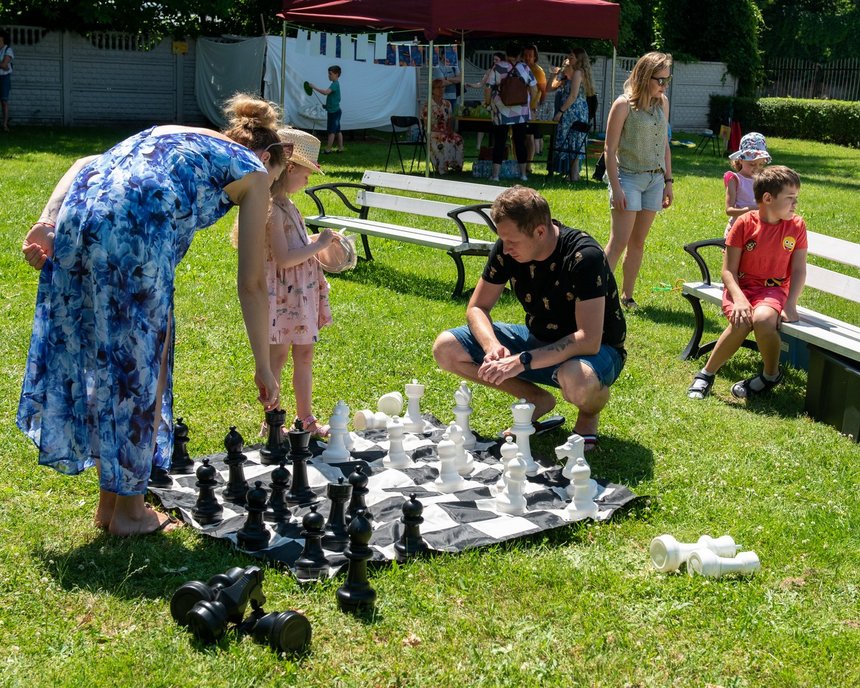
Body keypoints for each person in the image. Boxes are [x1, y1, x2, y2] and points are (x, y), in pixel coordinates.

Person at [18, 94, 287, 536]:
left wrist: (48, 221)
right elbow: (253, 284)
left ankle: (112, 504)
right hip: (136, 228)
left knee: (109, 357)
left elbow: (88, 160)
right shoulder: (255, 172)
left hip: (82, 210)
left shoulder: (178, 132)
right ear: (265, 157)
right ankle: (129, 513)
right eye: (275, 182)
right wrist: (263, 365)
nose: (267, 192)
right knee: (141, 369)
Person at [433, 186, 627, 451]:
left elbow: (588, 340)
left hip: (596, 351)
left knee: (577, 380)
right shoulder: (506, 248)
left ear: (539, 231)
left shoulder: (584, 256)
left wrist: (522, 361)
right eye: (502, 239)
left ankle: (589, 414)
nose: (505, 247)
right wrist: (491, 346)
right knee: (446, 348)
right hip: (537, 338)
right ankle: (535, 398)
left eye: (512, 241)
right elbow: (477, 307)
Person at [687, 166, 807, 400]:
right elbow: (728, 272)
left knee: (763, 319)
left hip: (773, 290)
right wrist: (740, 299)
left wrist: (791, 302)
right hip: (740, 289)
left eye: (796, 199)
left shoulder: (797, 225)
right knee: (742, 321)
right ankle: (706, 375)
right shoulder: (743, 223)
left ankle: (770, 375)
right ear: (768, 198)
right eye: (790, 198)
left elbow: (799, 269)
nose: (795, 204)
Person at [261, 127, 336, 437]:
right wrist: (319, 246)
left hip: (301, 296)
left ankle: (306, 417)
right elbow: (283, 258)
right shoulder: (272, 210)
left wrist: (318, 241)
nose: (308, 181)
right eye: (306, 174)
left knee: (305, 355)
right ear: (289, 168)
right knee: (276, 358)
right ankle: (273, 417)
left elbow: (297, 247)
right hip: (281, 299)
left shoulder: (291, 207)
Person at [603, 51, 674, 309]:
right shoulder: (623, 105)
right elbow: (609, 151)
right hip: (628, 179)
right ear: (645, 77)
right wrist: (617, 187)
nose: (664, 85)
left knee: (638, 242)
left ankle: (627, 296)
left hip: (655, 180)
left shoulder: (662, 103)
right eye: (660, 80)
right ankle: (593, 294)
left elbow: (664, 144)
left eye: (667, 80)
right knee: (619, 241)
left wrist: (668, 181)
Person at [484, 42, 538, 183]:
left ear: (506, 53)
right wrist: (531, 106)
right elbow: (534, 89)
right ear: (519, 54)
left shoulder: (498, 67)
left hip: (501, 110)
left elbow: (488, 87)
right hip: (520, 111)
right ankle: (523, 174)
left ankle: (495, 175)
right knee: (520, 142)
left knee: (500, 142)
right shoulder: (525, 68)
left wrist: (488, 102)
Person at [548, 47, 594, 182]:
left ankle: (574, 174)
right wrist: (554, 74)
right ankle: (573, 174)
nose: (569, 59)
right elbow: (549, 88)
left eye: (572, 57)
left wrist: (561, 111)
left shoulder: (579, 73)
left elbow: (573, 95)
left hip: (574, 111)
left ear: (579, 59)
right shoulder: (570, 73)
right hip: (571, 110)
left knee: (574, 140)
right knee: (570, 140)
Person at [724, 132, 771, 236]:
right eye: (752, 164)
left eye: (761, 164)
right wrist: (751, 210)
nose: (757, 168)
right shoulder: (735, 179)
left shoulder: (763, 179)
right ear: (741, 160)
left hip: (758, 229)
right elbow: (729, 210)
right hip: (738, 230)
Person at [422, 79, 464, 175]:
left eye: (443, 87)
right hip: (432, 132)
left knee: (458, 139)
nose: (441, 90)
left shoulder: (447, 104)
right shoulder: (427, 105)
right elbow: (427, 124)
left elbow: (449, 120)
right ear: (432, 90)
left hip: (445, 131)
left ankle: (456, 165)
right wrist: (441, 131)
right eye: (438, 87)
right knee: (443, 139)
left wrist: (449, 129)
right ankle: (442, 167)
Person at [466, 51, 504, 153]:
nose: (494, 61)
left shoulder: (504, 72)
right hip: (488, 100)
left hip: (500, 101)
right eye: (494, 59)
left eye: (497, 60)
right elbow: (481, 84)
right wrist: (471, 85)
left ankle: (497, 145)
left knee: (498, 124)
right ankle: (478, 146)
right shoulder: (489, 71)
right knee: (482, 122)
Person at [522, 44, 547, 171]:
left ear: (535, 57)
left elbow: (543, 91)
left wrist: (539, 107)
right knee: (522, 138)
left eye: (530, 56)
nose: (527, 58)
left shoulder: (538, 71)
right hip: (520, 109)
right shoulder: (520, 68)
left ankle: (529, 165)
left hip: (532, 110)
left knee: (530, 137)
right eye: (525, 55)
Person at [310, 65, 343, 153]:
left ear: (336, 74)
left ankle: (328, 150)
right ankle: (341, 148)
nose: (329, 76)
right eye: (328, 74)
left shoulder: (335, 84)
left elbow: (325, 92)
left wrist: (314, 87)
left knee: (331, 131)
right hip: (336, 110)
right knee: (338, 130)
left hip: (334, 112)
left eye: (330, 74)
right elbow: (334, 99)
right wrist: (327, 106)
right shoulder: (334, 84)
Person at [432, 48, 462, 114]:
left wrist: (447, 78)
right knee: (442, 116)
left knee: (452, 118)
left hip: (454, 96)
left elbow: (460, 79)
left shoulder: (454, 65)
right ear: (442, 55)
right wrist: (454, 79)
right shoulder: (438, 66)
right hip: (442, 97)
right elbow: (441, 82)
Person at [0, 29, 13, 132]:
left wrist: (4, 66)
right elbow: (4, 66)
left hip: (4, 78)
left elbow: (5, 65)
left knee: (4, 101)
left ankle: (5, 125)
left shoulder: (8, 49)